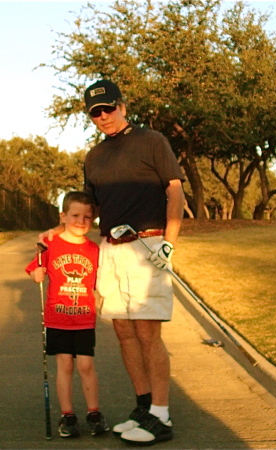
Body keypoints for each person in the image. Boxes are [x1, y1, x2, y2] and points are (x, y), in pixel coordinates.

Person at [40, 79, 185, 445]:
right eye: (95, 112)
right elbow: (86, 211)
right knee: (122, 330)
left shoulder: (152, 141)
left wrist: (169, 242)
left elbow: (175, 190)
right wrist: (54, 235)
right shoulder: (94, 157)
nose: (103, 116)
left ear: (122, 105)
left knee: (147, 332)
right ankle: (144, 406)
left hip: (147, 245)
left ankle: (162, 416)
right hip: (110, 249)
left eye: (108, 108)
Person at [26, 191, 109, 439]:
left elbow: (99, 282)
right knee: (65, 365)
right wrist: (36, 274)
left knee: (86, 365)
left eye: (87, 216)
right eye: (75, 215)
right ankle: (68, 414)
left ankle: (94, 412)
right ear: (62, 216)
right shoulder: (50, 244)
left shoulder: (94, 250)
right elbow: (35, 269)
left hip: (84, 317)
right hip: (57, 317)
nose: (81, 221)